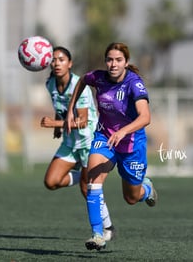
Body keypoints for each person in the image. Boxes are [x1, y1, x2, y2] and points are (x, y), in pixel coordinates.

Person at [66, 42, 158, 251]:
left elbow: (146, 117)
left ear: (126, 62)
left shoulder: (134, 84)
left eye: (118, 60)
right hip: (104, 137)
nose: (113, 64)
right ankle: (98, 234)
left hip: (131, 145)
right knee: (92, 180)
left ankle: (147, 189)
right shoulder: (98, 77)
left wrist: (124, 131)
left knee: (131, 197)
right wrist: (71, 108)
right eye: (109, 59)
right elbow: (82, 80)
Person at [40, 46, 115, 241]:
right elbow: (61, 107)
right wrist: (59, 123)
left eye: (62, 59)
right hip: (69, 141)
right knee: (51, 182)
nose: (57, 63)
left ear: (70, 64)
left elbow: (81, 121)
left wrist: (53, 124)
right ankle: (79, 176)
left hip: (87, 140)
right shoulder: (50, 84)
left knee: (87, 188)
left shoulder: (78, 86)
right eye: (54, 60)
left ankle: (108, 227)